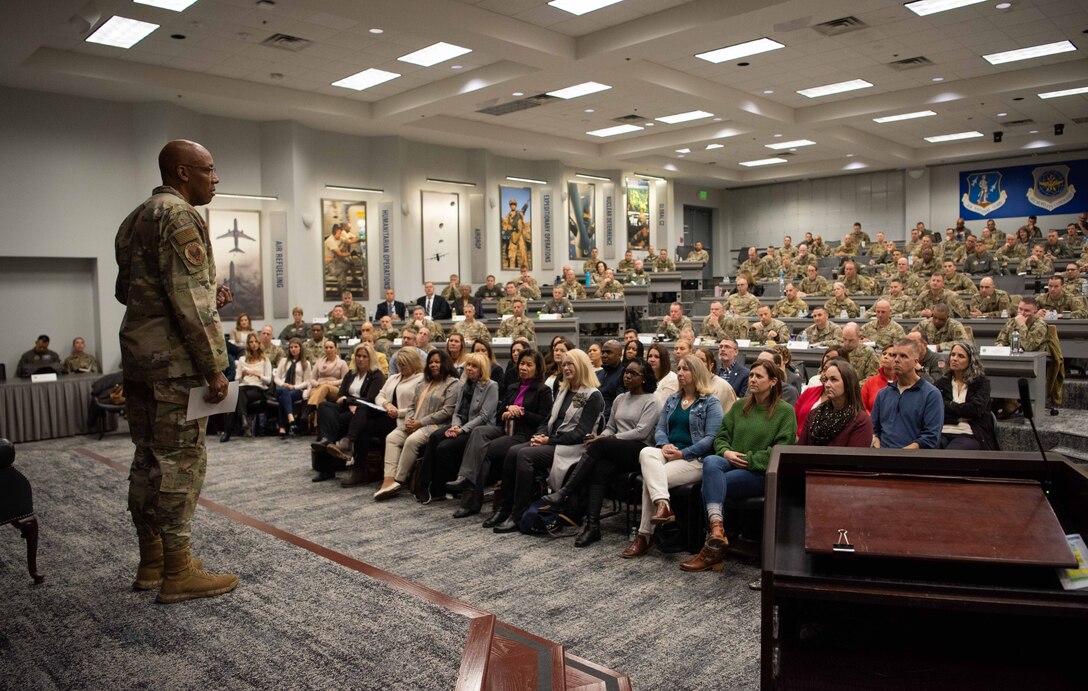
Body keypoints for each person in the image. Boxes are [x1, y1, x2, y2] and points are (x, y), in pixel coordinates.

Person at [116, 139, 236, 603]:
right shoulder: (181, 215)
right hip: (174, 365)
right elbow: (187, 303)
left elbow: (130, 292)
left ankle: (152, 561)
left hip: (140, 359)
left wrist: (208, 293)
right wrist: (215, 367)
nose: (216, 178)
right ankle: (179, 572)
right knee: (180, 463)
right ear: (183, 173)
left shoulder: (135, 218)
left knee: (147, 458)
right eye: (208, 169)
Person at [683, 360, 796, 572]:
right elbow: (721, 436)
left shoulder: (785, 411)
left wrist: (749, 459)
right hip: (731, 462)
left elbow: (782, 449)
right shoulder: (739, 406)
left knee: (712, 485)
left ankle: (712, 549)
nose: (752, 379)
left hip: (760, 472)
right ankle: (717, 529)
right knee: (711, 461)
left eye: (759, 376)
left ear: (773, 381)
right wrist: (726, 451)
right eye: (751, 375)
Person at [543, 358, 660, 547]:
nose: (627, 376)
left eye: (633, 373)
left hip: (640, 450)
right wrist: (601, 436)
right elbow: (611, 427)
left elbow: (642, 432)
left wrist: (605, 439)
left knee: (599, 445)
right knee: (599, 467)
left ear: (644, 378)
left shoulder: (652, 401)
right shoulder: (620, 399)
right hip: (615, 448)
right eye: (626, 372)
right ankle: (592, 526)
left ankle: (566, 491)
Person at [489, 349, 604, 533]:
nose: (565, 368)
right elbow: (547, 420)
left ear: (582, 366)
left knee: (524, 454)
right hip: (551, 441)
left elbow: (581, 433)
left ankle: (517, 515)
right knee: (512, 452)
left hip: (571, 447)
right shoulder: (564, 390)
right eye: (564, 364)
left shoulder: (591, 395)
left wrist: (548, 440)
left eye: (570, 364)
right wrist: (539, 435)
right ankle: (505, 508)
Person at [624, 355, 724, 559]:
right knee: (646, 452)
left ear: (696, 373)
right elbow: (660, 428)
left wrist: (683, 452)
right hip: (669, 452)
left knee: (650, 480)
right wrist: (663, 444)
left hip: (695, 459)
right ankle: (663, 505)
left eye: (685, 369)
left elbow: (711, 439)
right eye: (678, 369)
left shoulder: (711, 402)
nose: (680, 373)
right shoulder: (673, 399)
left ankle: (644, 535)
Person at [455, 350, 553, 519]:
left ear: (537, 369)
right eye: (522, 364)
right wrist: (507, 411)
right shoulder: (513, 387)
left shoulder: (542, 390)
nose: (523, 367)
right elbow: (500, 411)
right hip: (506, 428)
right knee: (479, 432)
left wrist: (521, 413)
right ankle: (465, 479)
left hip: (524, 433)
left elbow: (543, 419)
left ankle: (472, 501)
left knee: (486, 450)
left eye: (529, 365)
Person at [316, 348, 420, 483]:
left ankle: (347, 444)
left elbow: (417, 406)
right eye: (399, 364)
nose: (400, 367)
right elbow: (380, 396)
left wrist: (398, 412)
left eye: (403, 364)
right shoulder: (394, 378)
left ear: (413, 363)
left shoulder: (419, 380)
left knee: (359, 414)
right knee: (354, 420)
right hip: (384, 413)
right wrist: (387, 405)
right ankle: (359, 469)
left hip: (401, 419)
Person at [374, 350, 460, 500]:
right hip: (414, 422)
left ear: (444, 363)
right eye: (431, 362)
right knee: (392, 437)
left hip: (436, 425)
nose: (433, 365)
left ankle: (398, 480)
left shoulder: (453, 383)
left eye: (437, 362)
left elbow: (447, 411)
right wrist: (409, 419)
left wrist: (420, 422)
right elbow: (412, 406)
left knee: (412, 440)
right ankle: (388, 480)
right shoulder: (424, 382)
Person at [416, 352, 500, 502]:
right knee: (435, 436)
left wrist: (462, 430)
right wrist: (455, 426)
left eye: (474, 366)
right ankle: (423, 484)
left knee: (444, 447)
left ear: (483, 369)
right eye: (468, 365)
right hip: (460, 425)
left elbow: (484, 416)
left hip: (476, 429)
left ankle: (440, 488)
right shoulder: (464, 384)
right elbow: (457, 411)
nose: (469, 368)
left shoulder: (491, 386)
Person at [314, 342, 387, 484]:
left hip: (364, 412)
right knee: (324, 407)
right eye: (358, 356)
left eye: (364, 356)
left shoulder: (376, 376)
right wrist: (349, 403)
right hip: (348, 410)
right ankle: (326, 444)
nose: (360, 359)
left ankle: (338, 444)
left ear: (370, 358)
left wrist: (349, 401)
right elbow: (339, 397)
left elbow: (370, 399)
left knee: (332, 423)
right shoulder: (351, 373)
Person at [871, 339, 943, 449]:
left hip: (913, 460)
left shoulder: (931, 394)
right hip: (882, 457)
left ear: (915, 362)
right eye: (894, 355)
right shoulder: (883, 394)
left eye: (903, 356)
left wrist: (901, 455)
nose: (896, 360)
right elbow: (874, 429)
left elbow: (930, 437)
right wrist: (875, 441)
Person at [935, 342, 997, 450]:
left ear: (971, 361)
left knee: (950, 455)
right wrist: (962, 411)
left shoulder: (981, 383)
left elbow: (975, 410)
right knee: (928, 449)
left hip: (969, 433)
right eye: (953, 355)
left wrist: (948, 407)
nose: (954, 359)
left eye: (961, 356)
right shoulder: (942, 382)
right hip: (942, 431)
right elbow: (935, 407)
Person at [798, 360, 872, 447]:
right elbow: (801, 449)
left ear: (848, 383)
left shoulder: (861, 421)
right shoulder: (814, 414)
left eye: (834, 379)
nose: (827, 385)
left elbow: (854, 459)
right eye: (826, 380)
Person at [220, 333, 271, 441]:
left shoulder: (265, 360)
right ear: (248, 344)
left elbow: (268, 380)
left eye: (255, 342)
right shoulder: (242, 359)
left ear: (259, 343)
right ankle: (244, 418)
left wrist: (258, 374)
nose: (253, 344)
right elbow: (237, 379)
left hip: (258, 388)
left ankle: (228, 432)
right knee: (238, 392)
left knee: (236, 397)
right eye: (251, 342)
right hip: (244, 388)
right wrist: (242, 374)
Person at [273, 338, 309, 437]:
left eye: (296, 347)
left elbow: (307, 382)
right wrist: (283, 384)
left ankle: (282, 427)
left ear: (300, 348)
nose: (293, 349)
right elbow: (276, 378)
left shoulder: (306, 363)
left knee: (283, 399)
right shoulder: (283, 361)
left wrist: (294, 387)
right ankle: (291, 417)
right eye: (291, 347)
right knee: (284, 391)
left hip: (296, 390)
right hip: (282, 388)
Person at [305, 340, 348, 408]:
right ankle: (315, 416)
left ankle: (308, 408)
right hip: (319, 387)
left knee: (325, 387)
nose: (328, 349)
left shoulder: (342, 363)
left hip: (335, 389)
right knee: (321, 399)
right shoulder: (319, 362)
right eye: (326, 347)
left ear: (336, 349)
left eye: (331, 347)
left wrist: (330, 383)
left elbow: (345, 380)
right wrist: (319, 384)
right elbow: (312, 379)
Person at [860, 344, 896, 414]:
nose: (885, 356)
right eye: (884, 354)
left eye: (891, 355)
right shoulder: (870, 382)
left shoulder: (904, 382)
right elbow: (862, 406)